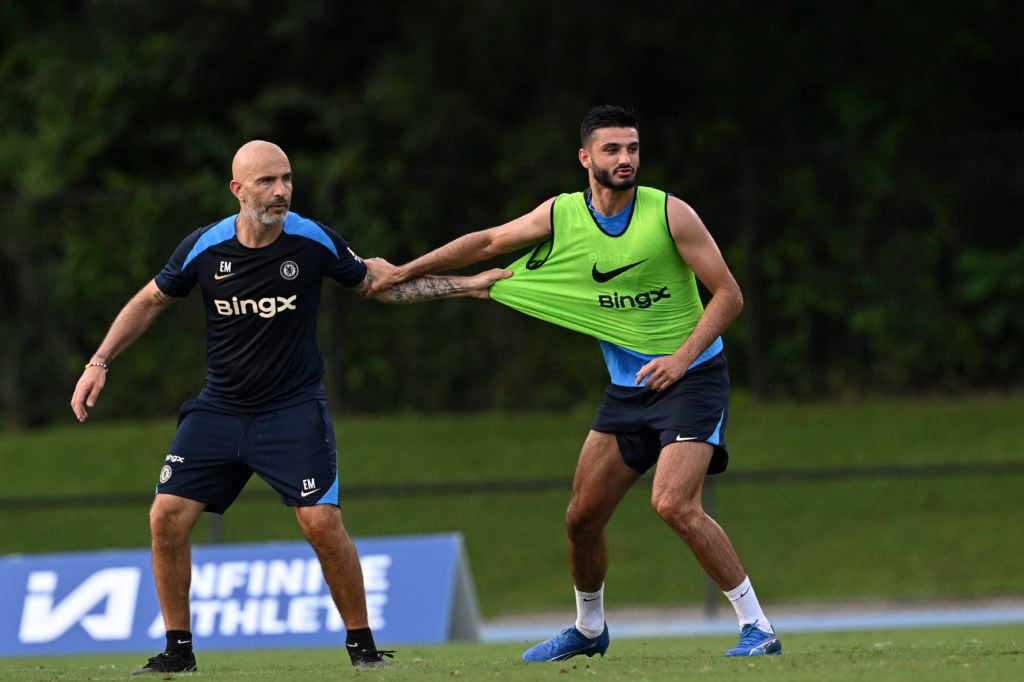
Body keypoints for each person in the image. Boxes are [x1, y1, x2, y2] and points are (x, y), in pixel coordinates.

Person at [69, 140, 508, 674]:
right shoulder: (203, 248)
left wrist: (468, 286)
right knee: (165, 517)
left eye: (286, 179)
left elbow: (379, 286)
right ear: (237, 190)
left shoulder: (310, 238)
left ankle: (364, 650)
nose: (281, 192)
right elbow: (150, 300)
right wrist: (99, 361)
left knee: (321, 522)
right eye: (266, 182)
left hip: (291, 410)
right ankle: (177, 653)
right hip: (220, 409)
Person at [367, 105, 781, 660]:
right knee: (581, 517)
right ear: (586, 158)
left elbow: (730, 296)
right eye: (612, 150)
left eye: (632, 148)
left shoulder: (669, 215)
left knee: (673, 503)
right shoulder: (564, 215)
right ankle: (589, 630)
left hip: (693, 378)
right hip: (627, 388)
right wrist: (402, 271)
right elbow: (489, 242)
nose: (626, 159)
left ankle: (758, 627)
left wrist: (681, 359)